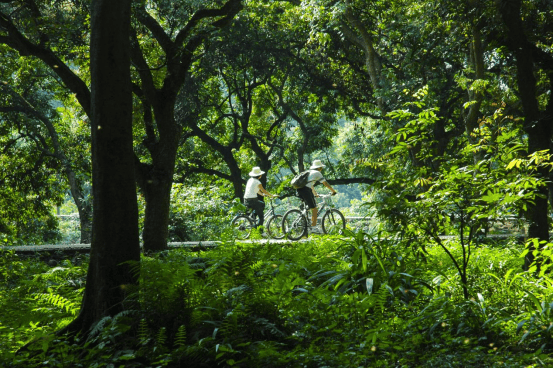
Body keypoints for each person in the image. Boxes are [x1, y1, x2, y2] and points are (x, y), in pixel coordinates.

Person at [296, 159, 337, 233]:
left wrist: (315, 194)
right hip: (305, 191)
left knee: (310, 207)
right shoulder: (317, 173)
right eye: (321, 167)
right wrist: (333, 191)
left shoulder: (309, 172)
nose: (321, 169)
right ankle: (313, 227)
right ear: (319, 168)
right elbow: (325, 183)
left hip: (299, 190)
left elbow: (310, 186)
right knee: (314, 209)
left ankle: (305, 220)